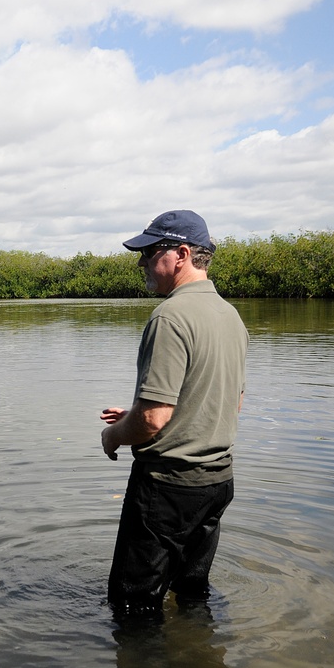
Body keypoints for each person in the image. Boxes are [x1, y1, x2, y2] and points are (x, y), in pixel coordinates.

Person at [99, 209, 247, 620]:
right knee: (191, 595)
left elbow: (153, 420)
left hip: (167, 487)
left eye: (150, 251)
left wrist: (114, 436)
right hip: (217, 482)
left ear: (181, 254)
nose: (141, 261)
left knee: (133, 607)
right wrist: (141, 412)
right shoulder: (229, 316)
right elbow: (227, 401)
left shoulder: (170, 317)